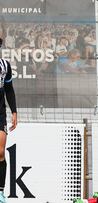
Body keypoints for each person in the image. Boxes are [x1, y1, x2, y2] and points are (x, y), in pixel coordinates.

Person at [0, 38, 18, 203]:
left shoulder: (4, 66)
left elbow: (9, 89)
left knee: (0, 151)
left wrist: (14, 111)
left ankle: (0, 192)